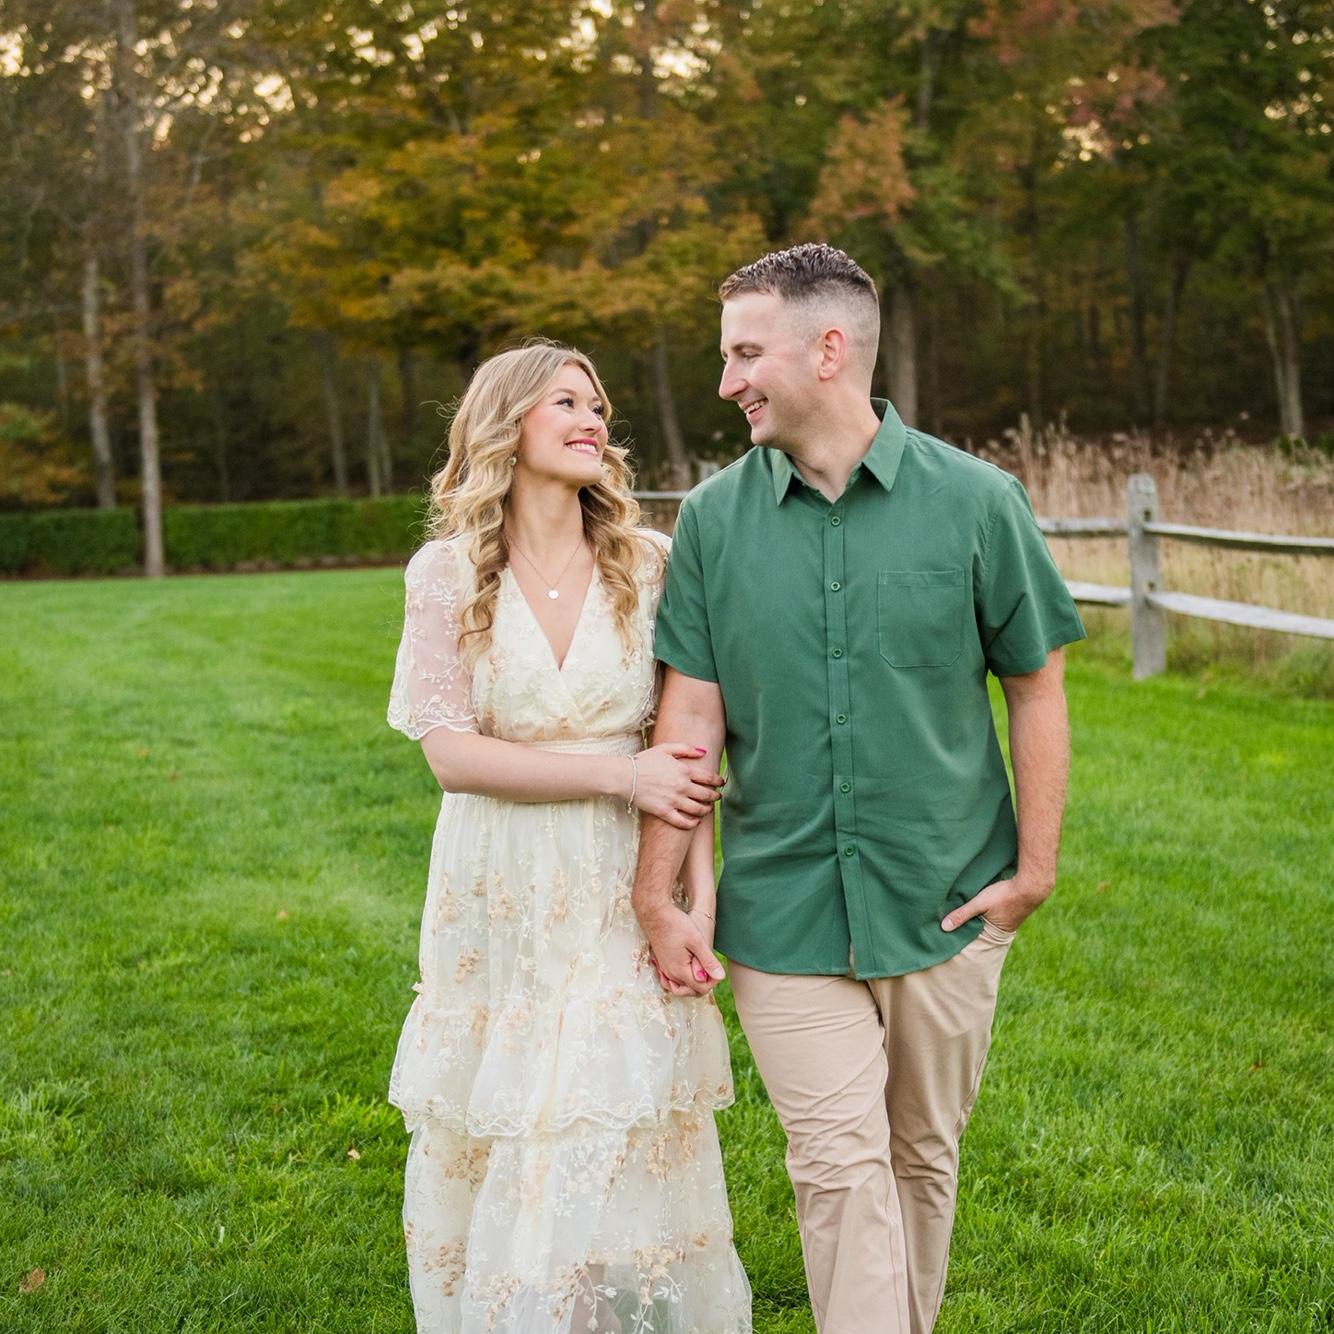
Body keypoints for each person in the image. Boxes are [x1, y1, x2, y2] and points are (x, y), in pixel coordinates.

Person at [633, 244, 1086, 1334]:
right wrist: (657, 891)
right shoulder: (712, 522)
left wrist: (1032, 871)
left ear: (827, 349)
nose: (727, 382)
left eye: (746, 354)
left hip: (946, 902)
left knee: (921, 1157)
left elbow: (1035, 688)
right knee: (837, 1166)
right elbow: (687, 721)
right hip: (782, 909)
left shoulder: (978, 503)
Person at [386, 340, 752, 1333]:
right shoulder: (446, 573)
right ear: (506, 425)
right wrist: (618, 774)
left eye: (597, 407)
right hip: (498, 880)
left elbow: (687, 746)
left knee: (616, 1114)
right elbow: (451, 755)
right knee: (514, 1117)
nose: (593, 421)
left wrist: (692, 898)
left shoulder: (648, 561)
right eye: (566, 403)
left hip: (620, 872)